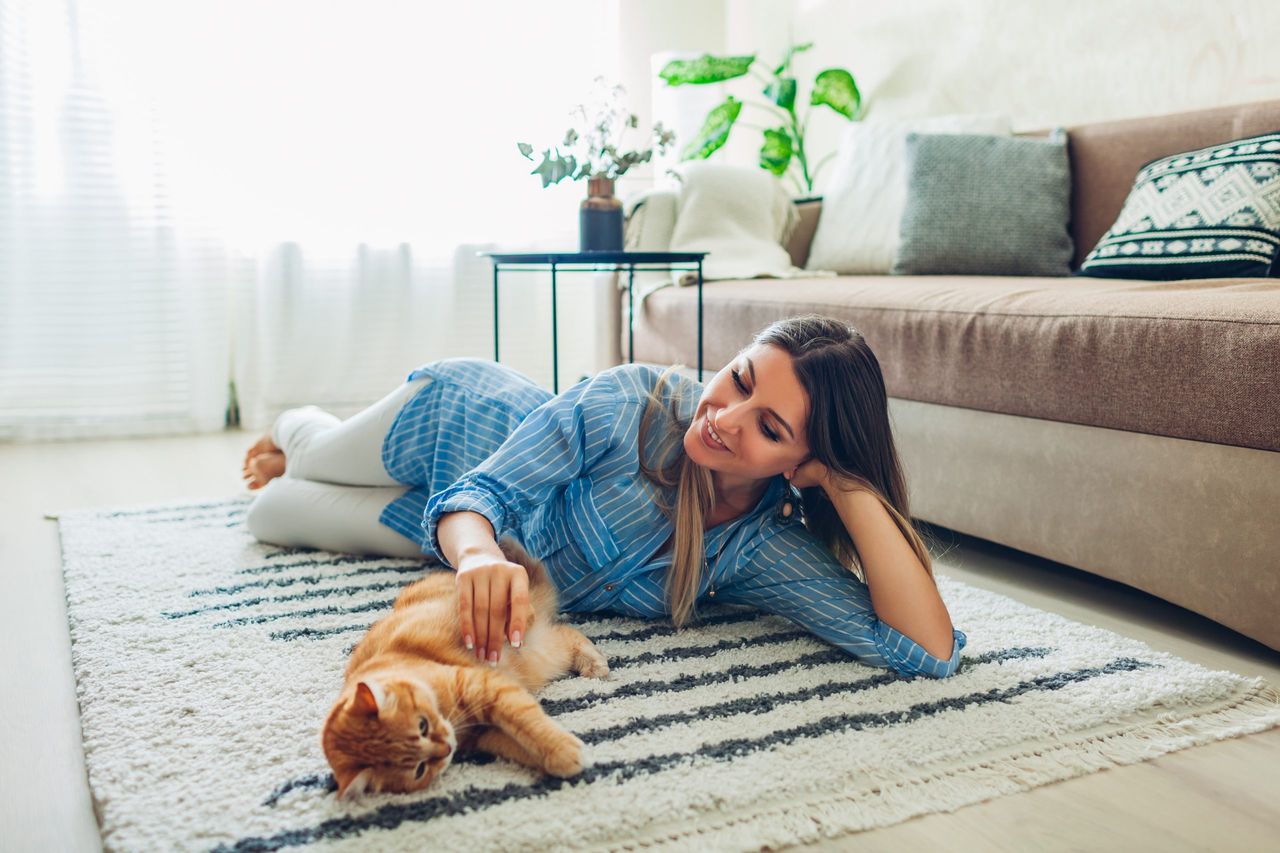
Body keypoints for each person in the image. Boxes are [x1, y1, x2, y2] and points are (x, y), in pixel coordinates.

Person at [243, 314, 967, 679]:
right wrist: (475, 560)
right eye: (740, 379)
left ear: (800, 463)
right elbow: (482, 491)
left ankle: (295, 462)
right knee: (314, 456)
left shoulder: (759, 543)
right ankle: (298, 426)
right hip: (453, 427)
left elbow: (924, 650)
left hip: (431, 525)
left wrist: (848, 486)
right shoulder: (632, 402)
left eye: (770, 427)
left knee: (270, 513)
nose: (724, 417)